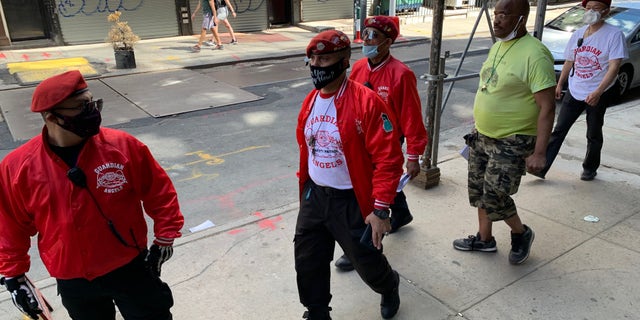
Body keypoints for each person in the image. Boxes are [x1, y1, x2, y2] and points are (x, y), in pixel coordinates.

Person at [0, 70, 184, 320]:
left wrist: (165, 237)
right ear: (51, 116)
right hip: (72, 276)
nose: (92, 111)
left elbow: (159, 192)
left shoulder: (123, 146)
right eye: (81, 106)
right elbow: (9, 225)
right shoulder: (18, 167)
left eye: (93, 103)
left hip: (130, 265)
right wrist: (14, 275)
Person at [295, 30, 405, 319]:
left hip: (352, 201)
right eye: (314, 59)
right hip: (315, 195)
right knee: (308, 260)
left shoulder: (367, 102)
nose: (318, 65)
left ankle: (388, 285)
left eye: (326, 57)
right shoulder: (310, 101)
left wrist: (380, 210)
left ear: (344, 61)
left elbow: (389, 158)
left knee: (366, 262)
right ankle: (317, 310)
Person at [452, 0, 556, 265]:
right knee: (478, 191)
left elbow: (547, 107)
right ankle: (485, 240)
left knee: (495, 194)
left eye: (504, 15)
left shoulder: (536, 54)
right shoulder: (498, 46)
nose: (497, 20)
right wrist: (479, 122)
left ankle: (521, 233)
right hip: (483, 135)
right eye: (496, 14)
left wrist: (540, 153)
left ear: (521, 19)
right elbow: (491, 87)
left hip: (513, 138)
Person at [334, 15, 428, 272]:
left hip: (386, 142)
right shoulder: (360, 67)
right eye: (365, 34)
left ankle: (364, 249)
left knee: (369, 192)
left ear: (388, 42)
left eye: (373, 35)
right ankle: (402, 213)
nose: (366, 40)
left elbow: (411, 116)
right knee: (376, 186)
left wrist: (414, 155)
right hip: (360, 138)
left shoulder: (401, 74)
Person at [529, 0, 627, 181]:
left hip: (598, 92)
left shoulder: (614, 35)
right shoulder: (579, 33)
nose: (590, 12)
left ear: (606, 12)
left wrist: (598, 92)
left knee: (594, 133)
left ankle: (590, 168)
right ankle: (541, 167)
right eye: (588, 8)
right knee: (559, 129)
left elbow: (614, 67)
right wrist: (560, 84)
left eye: (595, 9)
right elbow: (569, 61)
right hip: (575, 89)